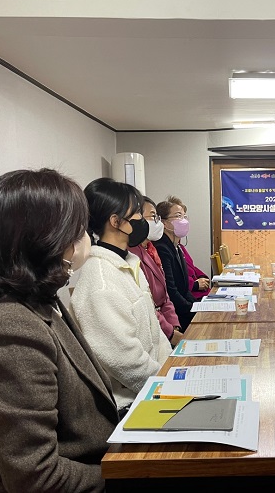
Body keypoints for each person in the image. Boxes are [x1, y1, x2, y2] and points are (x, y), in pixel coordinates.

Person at [0, 169, 118, 492]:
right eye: (77, 229)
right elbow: (36, 478)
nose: (86, 238)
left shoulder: (38, 299)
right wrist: (126, 475)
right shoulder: (7, 330)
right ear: (47, 239)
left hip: (86, 460)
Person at [70, 178, 172, 415]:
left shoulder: (128, 262)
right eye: (137, 213)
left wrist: (172, 370)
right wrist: (165, 383)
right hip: (128, 403)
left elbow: (155, 332)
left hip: (154, 385)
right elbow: (123, 358)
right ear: (115, 221)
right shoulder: (101, 281)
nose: (142, 220)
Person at [129, 196, 184, 347]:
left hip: (167, 324)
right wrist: (171, 333)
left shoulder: (150, 250)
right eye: (153, 216)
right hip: (154, 331)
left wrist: (174, 325)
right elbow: (148, 305)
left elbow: (165, 297)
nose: (157, 222)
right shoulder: (132, 255)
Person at [154, 196, 198, 329]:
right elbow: (171, 291)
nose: (183, 220)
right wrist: (193, 310)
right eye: (178, 216)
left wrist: (197, 306)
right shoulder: (162, 248)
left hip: (185, 308)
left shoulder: (176, 246)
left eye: (184, 216)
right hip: (176, 315)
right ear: (164, 223)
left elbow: (185, 289)